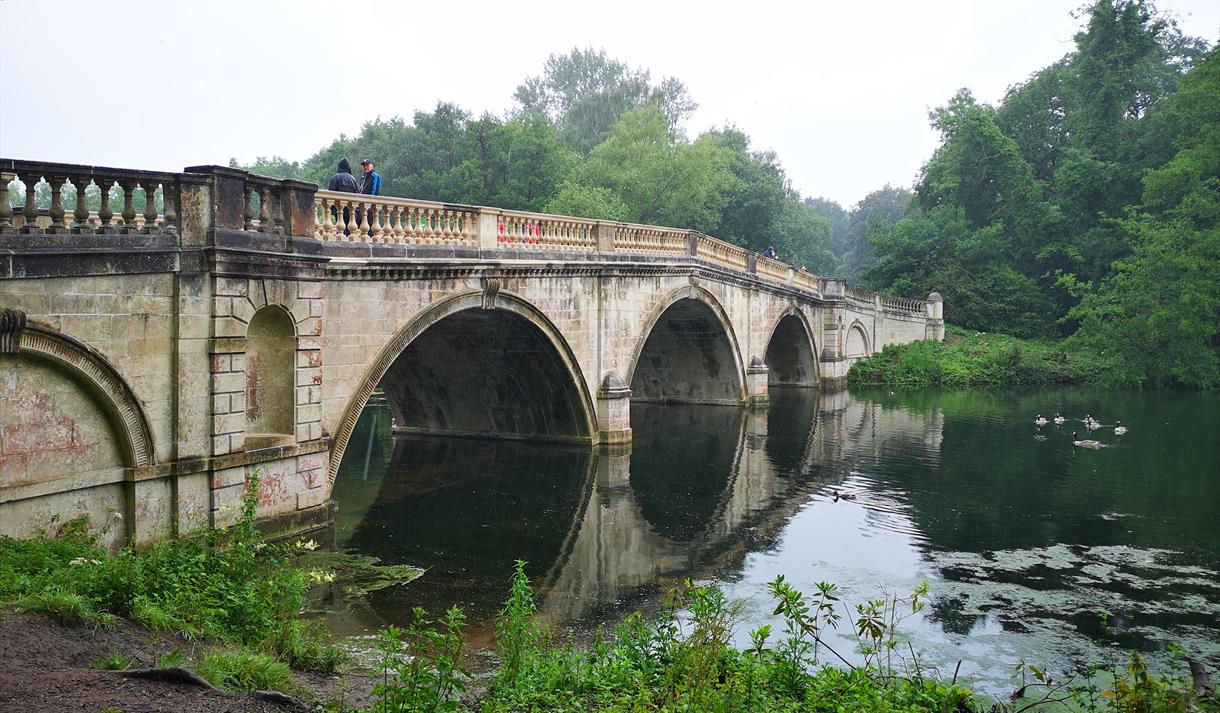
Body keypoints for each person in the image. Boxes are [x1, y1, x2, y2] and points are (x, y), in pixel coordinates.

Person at [326, 159, 359, 235]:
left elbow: (330, 193)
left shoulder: (335, 177)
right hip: (351, 208)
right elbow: (357, 194)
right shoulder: (353, 179)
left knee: (340, 228)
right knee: (350, 229)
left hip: (339, 207)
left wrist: (332, 208)